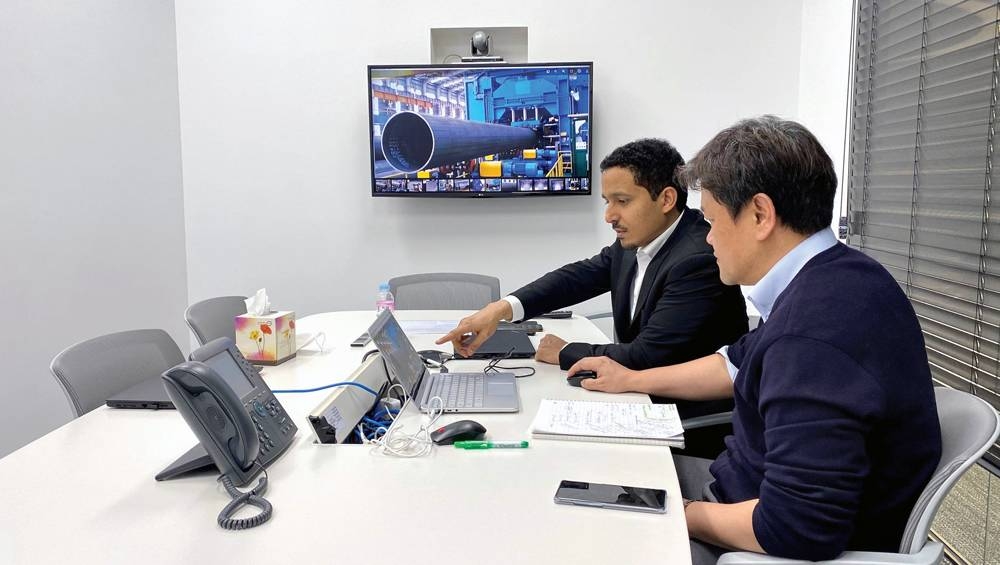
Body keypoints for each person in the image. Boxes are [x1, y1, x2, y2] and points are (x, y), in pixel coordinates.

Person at [568, 117, 942, 563]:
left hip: (755, 540)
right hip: (737, 489)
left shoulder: (814, 332)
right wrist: (632, 378)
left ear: (760, 215)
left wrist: (679, 513)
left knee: (580, 538)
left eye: (710, 221)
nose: (707, 239)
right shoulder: (840, 275)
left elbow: (796, 526)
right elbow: (734, 363)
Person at [437, 138, 748, 375]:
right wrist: (501, 309)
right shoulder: (637, 242)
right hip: (632, 393)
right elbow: (576, 279)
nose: (609, 216)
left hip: (677, 419)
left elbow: (646, 356)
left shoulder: (697, 259)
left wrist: (566, 352)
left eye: (622, 201)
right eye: (606, 202)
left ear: (666, 198)